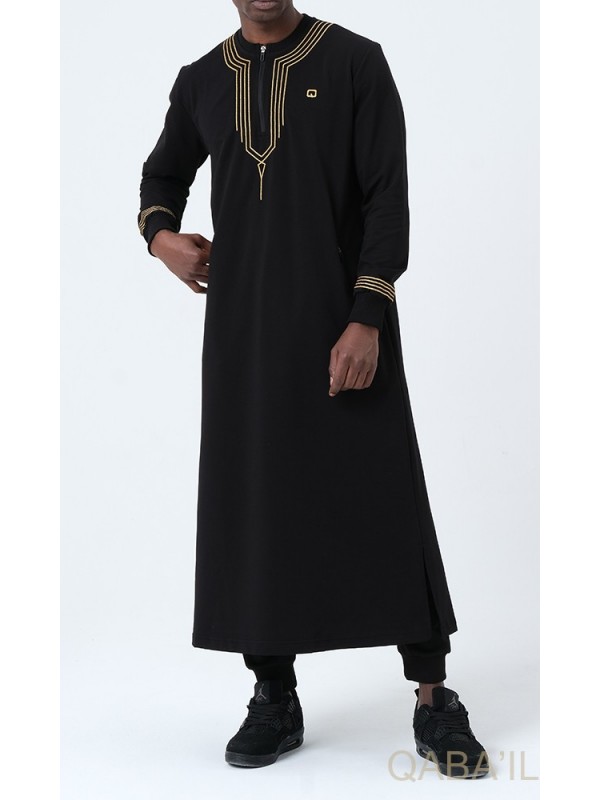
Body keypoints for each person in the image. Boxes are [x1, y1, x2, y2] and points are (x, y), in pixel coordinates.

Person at [138, 0, 488, 778]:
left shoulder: (355, 61)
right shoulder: (202, 81)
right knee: (258, 500)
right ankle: (274, 692)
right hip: (245, 333)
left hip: (341, 320)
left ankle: (433, 695)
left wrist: (367, 315)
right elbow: (161, 175)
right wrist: (162, 238)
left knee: (383, 496)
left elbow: (387, 194)